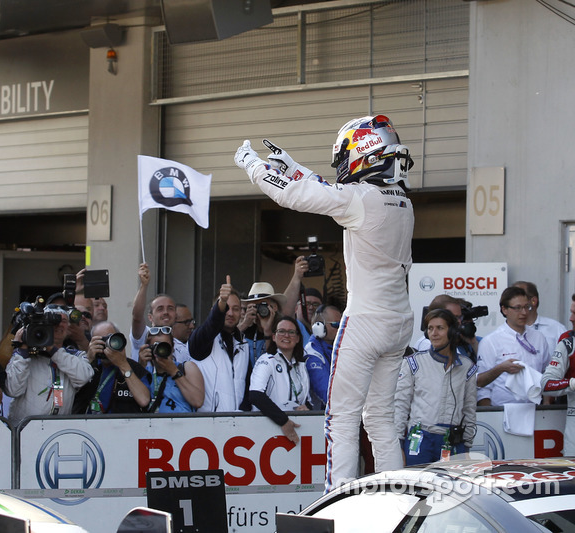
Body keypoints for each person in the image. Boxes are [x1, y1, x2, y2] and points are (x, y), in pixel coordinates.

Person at [235, 115, 415, 490]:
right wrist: (294, 166)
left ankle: (338, 501)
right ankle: (396, 495)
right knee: (381, 418)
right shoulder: (401, 202)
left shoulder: (361, 198)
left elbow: (294, 195)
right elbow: (329, 189)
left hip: (366, 320)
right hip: (399, 321)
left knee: (341, 419)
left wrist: (252, 164)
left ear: (363, 151)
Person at [394, 309, 477, 465]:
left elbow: (469, 411)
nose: (434, 333)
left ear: (452, 331)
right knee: (417, 486)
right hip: (419, 440)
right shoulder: (413, 362)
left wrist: (466, 446)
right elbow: (400, 406)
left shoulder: (467, 367)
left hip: (452, 441)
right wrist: (398, 444)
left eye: (440, 328)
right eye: (430, 328)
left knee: (450, 488)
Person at [4, 305, 94, 425]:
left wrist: (53, 350)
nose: (59, 325)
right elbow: (12, 390)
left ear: (68, 327)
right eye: (53, 321)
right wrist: (22, 351)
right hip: (25, 429)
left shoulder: (76, 355)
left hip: (58, 429)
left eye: (63, 321)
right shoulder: (27, 356)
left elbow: (83, 377)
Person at [477, 286, 550, 406]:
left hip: (535, 410)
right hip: (502, 411)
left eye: (527, 307)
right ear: (504, 309)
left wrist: (546, 404)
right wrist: (489, 415)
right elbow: (481, 386)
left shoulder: (539, 338)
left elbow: (547, 373)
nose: (524, 312)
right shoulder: (491, 341)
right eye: (517, 308)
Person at [188, 276, 250, 412]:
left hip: (237, 424)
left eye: (236, 309)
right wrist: (221, 302)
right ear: (214, 310)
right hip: (208, 423)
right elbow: (211, 325)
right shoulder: (203, 338)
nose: (230, 313)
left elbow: (247, 388)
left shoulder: (244, 344)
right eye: (226, 308)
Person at [249, 316, 310, 444]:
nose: (286, 335)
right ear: (274, 336)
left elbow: (308, 400)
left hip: (296, 428)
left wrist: (305, 408)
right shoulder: (266, 360)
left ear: (298, 338)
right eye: (281, 331)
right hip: (268, 429)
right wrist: (283, 420)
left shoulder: (301, 366)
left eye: (291, 332)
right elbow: (255, 395)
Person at [74, 321, 150, 414]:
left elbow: (144, 400)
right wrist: (88, 360)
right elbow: (71, 395)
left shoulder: (134, 368)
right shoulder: (86, 365)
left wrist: (123, 364)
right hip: (87, 426)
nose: (106, 345)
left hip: (122, 425)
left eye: (110, 339)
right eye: (101, 340)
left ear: (119, 340)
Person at [129, 263, 190, 364]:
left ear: (175, 315)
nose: (165, 312)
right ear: (150, 317)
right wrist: (144, 285)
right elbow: (137, 316)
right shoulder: (144, 336)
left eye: (170, 308)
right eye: (160, 309)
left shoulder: (183, 348)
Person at [540, 293, 575, 454]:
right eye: (571, 312)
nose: (571, 318)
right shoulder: (568, 342)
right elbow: (546, 384)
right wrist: (572, 383)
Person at [141, 326, 204, 413]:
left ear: (173, 347)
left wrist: (174, 371)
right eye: (157, 345)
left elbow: (198, 401)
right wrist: (140, 367)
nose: (161, 350)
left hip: (183, 425)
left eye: (165, 346)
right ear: (148, 348)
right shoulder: (146, 372)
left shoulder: (186, 368)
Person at [513, 281, 567, 356]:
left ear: (533, 301)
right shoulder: (503, 333)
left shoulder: (556, 329)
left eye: (519, 297)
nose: (514, 302)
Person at [304, 304, 342, 410]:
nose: (341, 328)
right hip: (321, 417)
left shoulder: (337, 347)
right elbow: (327, 393)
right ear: (319, 327)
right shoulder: (312, 353)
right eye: (336, 324)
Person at [238, 282, 284, 366]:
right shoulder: (246, 331)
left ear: (275, 307)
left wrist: (267, 331)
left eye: (263, 304)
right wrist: (244, 324)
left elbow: (275, 361)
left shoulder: (283, 329)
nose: (260, 309)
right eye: (255, 306)